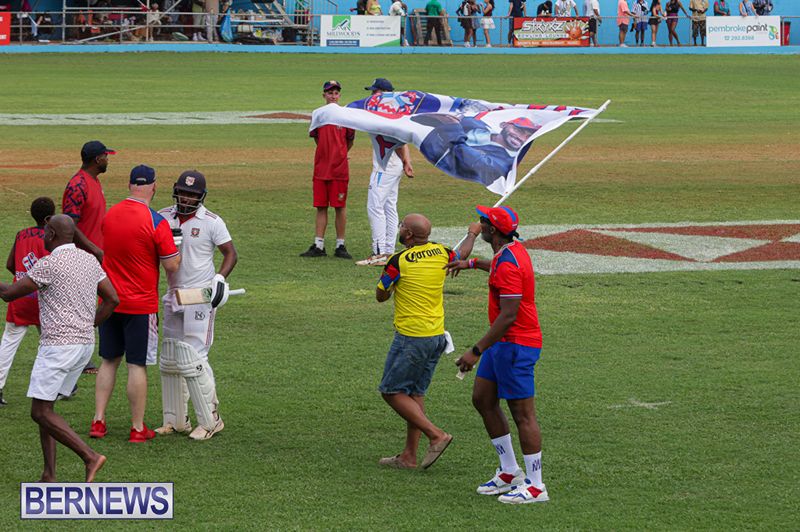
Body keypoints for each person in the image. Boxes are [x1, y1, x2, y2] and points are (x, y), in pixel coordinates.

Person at [0, 215, 118, 482]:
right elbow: (112, 299)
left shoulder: (49, 264)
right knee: (48, 409)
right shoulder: (89, 260)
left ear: (51, 234)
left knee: (39, 412)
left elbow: (9, 294)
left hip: (58, 347)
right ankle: (49, 474)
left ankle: (90, 456)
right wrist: (89, 325)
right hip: (84, 346)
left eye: (45, 232)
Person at [447, 205, 548, 504]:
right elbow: (498, 267)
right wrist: (472, 264)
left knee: (523, 414)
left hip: (516, 344)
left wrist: (476, 351)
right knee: (483, 399)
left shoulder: (508, 263)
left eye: (483, 222)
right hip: (502, 343)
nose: (480, 224)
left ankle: (536, 485)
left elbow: (508, 315)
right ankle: (509, 471)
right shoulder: (510, 250)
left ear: (493, 230)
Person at [375, 213, 480, 469]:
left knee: (391, 391)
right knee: (415, 393)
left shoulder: (398, 260)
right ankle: (409, 456)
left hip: (412, 337)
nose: (399, 229)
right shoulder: (443, 252)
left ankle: (437, 435)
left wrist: (390, 286)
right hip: (436, 336)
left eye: (401, 227)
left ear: (409, 235)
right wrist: (472, 233)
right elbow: (462, 256)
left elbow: (380, 295)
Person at [91, 165, 181, 443]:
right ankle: (137, 426)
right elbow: (172, 265)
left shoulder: (111, 215)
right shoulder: (156, 221)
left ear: (130, 186)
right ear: (154, 187)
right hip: (140, 305)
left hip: (109, 301)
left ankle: (98, 421)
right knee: (137, 365)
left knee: (108, 360)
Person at [156, 170, 237, 440]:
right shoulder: (162, 216)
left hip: (200, 296)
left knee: (195, 357)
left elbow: (230, 254)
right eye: (183, 192)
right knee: (171, 355)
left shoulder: (212, 221)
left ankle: (211, 420)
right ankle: (176, 420)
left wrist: (218, 279)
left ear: (200, 197)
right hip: (173, 294)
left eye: (192, 194)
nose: (186, 198)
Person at [63, 140, 115, 376]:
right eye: (106, 156)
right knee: (87, 307)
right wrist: (93, 248)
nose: (108, 160)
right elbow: (68, 226)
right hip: (83, 258)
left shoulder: (94, 182)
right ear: (97, 159)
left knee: (96, 304)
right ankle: (77, 357)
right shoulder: (77, 185)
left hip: (95, 257)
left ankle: (82, 356)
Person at [0, 197, 54, 406]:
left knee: (9, 342)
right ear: (50, 218)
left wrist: (22, 279)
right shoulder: (51, 236)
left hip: (20, 295)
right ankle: (60, 385)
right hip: (43, 299)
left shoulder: (21, 234)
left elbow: (10, 264)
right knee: (51, 343)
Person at [357, 78, 415, 267]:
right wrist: (406, 161)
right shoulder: (393, 111)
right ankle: (388, 250)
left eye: (374, 92)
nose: (371, 95)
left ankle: (379, 252)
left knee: (375, 206)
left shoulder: (384, 113)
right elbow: (401, 140)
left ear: (382, 94)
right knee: (390, 206)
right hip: (394, 165)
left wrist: (406, 161)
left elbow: (396, 140)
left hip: (385, 166)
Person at [302, 81, 356, 259]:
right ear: (323, 95)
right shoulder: (318, 114)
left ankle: (340, 245)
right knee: (321, 206)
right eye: (330, 93)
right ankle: (319, 245)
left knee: (339, 206)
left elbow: (350, 140)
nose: (333, 96)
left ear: (339, 95)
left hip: (339, 170)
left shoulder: (346, 115)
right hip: (321, 168)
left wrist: (339, 155)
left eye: (336, 93)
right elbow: (317, 138)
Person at [414, 113, 540, 188]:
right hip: (422, 144)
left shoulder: (505, 162)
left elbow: (465, 156)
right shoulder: (475, 124)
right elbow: (417, 120)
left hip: (435, 158)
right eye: (518, 130)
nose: (521, 138)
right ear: (504, 125)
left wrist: (453, 126)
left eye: (528, 136)